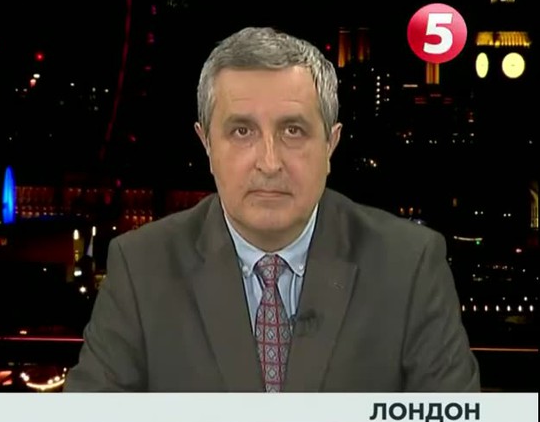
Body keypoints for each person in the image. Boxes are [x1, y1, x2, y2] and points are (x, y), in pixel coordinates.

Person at [64, 27, 480, 393]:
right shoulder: (141, 266)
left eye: (293, 131)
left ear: (331, 144)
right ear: (207, 144)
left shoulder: (410, 264)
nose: (269, 162)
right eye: (241, 131)